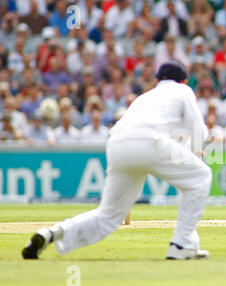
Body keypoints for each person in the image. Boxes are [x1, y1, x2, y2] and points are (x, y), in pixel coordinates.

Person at [22, 61, 212, 260]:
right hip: (148, 141)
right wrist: (194, 150)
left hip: (116, 144)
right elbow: (200, 131)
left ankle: (51, 233)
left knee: (108, 216)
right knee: (201, 177)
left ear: (157, 80)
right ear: (184, 81)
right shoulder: (183, 90)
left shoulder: (144, 97)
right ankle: (181, 245)